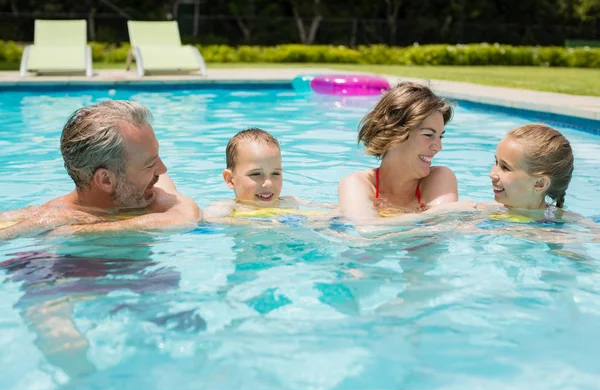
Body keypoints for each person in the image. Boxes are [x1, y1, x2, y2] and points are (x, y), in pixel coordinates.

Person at [0, 100, 201, 240]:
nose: (162, 169)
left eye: (157, 157)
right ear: (105, 180)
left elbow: (185, 216)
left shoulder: (154, 192)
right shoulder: (53, 215)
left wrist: (83, 229)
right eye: (150, 163)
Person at [337, 81, 464, 226]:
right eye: (428, 135)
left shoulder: (439, 178)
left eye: (440, 136)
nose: (438, 147)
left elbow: (438, 228)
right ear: (394, 134)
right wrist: (444, 211)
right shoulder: (358, 183)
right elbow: (367, 230)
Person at [204, 128, 334, 223]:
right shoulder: (229, 208)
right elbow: (207, 221)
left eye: (275, 173)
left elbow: (338, 209)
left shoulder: (290, 201)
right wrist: (254, 224)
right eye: (256, 174)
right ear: (230, 179)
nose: (268, 183)